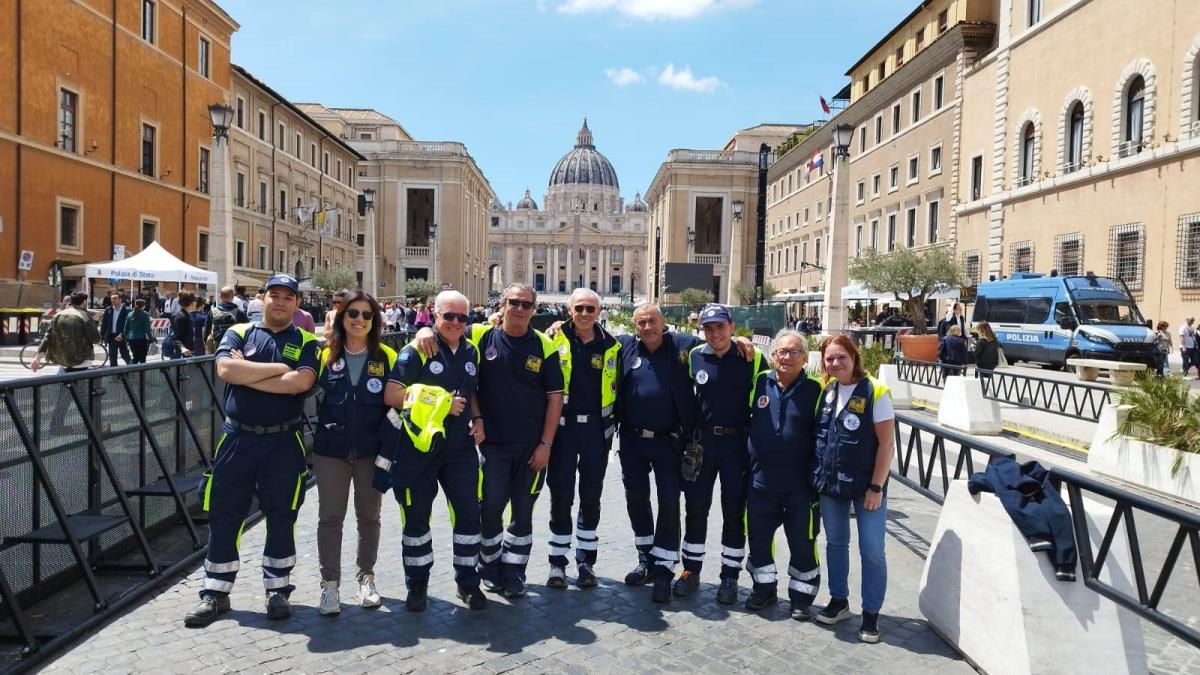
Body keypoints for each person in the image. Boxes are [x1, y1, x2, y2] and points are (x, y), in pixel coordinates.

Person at [184, 274, 319, 627]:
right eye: (274, 295)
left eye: (287, 297)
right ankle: (215, 593)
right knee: (224, 515)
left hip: (283, 441)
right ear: (263, 298)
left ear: (297, 303)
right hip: (237, 439)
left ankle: (278, 591)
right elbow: (226, 369)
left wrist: (250, 373)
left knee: (282, 515)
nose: (280, 302)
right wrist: (279, 370)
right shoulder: (239, 331)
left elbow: (301, 382)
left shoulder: (306, 340)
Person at [417, 283, 563, 598]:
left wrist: (546, 445)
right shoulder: (481, 336)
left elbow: (555, 398)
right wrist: (423, 331)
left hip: (532, 446)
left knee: (523, 510)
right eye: (514, 302)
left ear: (534, 309)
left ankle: (514, 572)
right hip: (492, 443)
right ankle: (490, 567)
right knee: (491, 507)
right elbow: (453, 345)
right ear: (503, 304)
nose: (519, 309)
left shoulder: (545, 346)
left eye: (526, 304)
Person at [382, 290, 487, 611]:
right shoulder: (417, 348)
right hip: (419, 449)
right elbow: (392, 394)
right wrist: (441, 403)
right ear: (435, 315)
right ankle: (417, 585)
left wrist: (478, 418)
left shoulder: (471, 350)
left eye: (462, 317)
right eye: (448, 316)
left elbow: (471, 392)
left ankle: (468, 582)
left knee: (469, 516)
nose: (455, 323)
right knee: (416, 520)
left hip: (460, 450)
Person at [678, 304, 769, 605]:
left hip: (736, 444)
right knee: (696, 508)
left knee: (734, 511)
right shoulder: (694, 356)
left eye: (720, 327)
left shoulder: (751, 357)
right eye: (708, 328)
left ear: (731, 327)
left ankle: (730, 575)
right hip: (703, 443)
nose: (715, 333)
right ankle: (691, 570)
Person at [311, 290, 392, 616]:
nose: (360, 320)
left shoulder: (387, 355)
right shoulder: (324, 355)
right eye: (353, 313)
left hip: (371, 450)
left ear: (375, 321)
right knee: (330, 518)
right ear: (342, 317)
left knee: (369, 517)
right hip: (331, 450)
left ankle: (366, 578)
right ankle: (330, 585)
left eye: (367, 315)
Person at [813, 334, 895, 644]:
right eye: (830, 359)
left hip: (867, 487)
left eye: (841, 357)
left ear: (854, 357)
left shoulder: (876, 391)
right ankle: (839, 601)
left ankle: (871, 613)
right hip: (832, 483)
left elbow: (886, 445)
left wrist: (876, 487)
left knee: (871, 549)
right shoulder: (827, 390)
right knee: (836, 543)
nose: (835, 363)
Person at [541, 289, 620, 590]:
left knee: (591, 496)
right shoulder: (552, 339)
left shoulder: (612, 345)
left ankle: (586, 562)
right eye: (579, 308)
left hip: (596, 432)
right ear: (569, 311)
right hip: (563, 430)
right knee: (561, 494)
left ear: (599, 312)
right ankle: (557, 561)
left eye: (590, 308)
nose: (585, 314)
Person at [744, 330, 824, 618]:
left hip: (801, 485)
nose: (787, 357)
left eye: (794, 352)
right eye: (781, 351)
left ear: (804, 357)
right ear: (773, 355)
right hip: (761, 481)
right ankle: (764, 590)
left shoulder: (817, 389)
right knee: (759, 539)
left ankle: (802, 598)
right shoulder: (759, 381)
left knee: (803, 541)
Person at [208, 286, 249, 353]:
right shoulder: (240, 313)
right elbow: (247, 331)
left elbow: (207, 331)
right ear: (233, 297)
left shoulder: (213, 312)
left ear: (220, 296)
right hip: (234, 349)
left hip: (217, 348)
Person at [163, 292, 199, 359]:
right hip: (180, 354)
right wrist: (182, 348)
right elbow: (176, 337)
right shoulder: (181, 317)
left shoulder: (188, 315)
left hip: (188, 352)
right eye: (195, 300)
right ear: (191, 303)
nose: (196, 302)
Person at [101, 291, 131, 367]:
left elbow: (129, 325)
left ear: (120, 300)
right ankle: (114, 372)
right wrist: (102, 336)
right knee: (112, 356)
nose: (112, 300)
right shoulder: (109, 310)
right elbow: (104, 324)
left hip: (122, 336)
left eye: (115, 298)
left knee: (124, 354)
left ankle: (133, 369)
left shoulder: (127, 310)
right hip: (111, 336)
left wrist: (122, 335)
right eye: (111, 299)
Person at [125, 298, 155, 364]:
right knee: (142, 360)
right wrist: (151, 339)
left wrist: (126, 339)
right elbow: (147, 329)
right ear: (143, 306)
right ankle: (141, 371)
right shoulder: (145, 314)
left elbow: (126, 328)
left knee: (135, 358)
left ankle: (132, 370)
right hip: (141, 339)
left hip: (131, 339)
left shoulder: (129, 314)